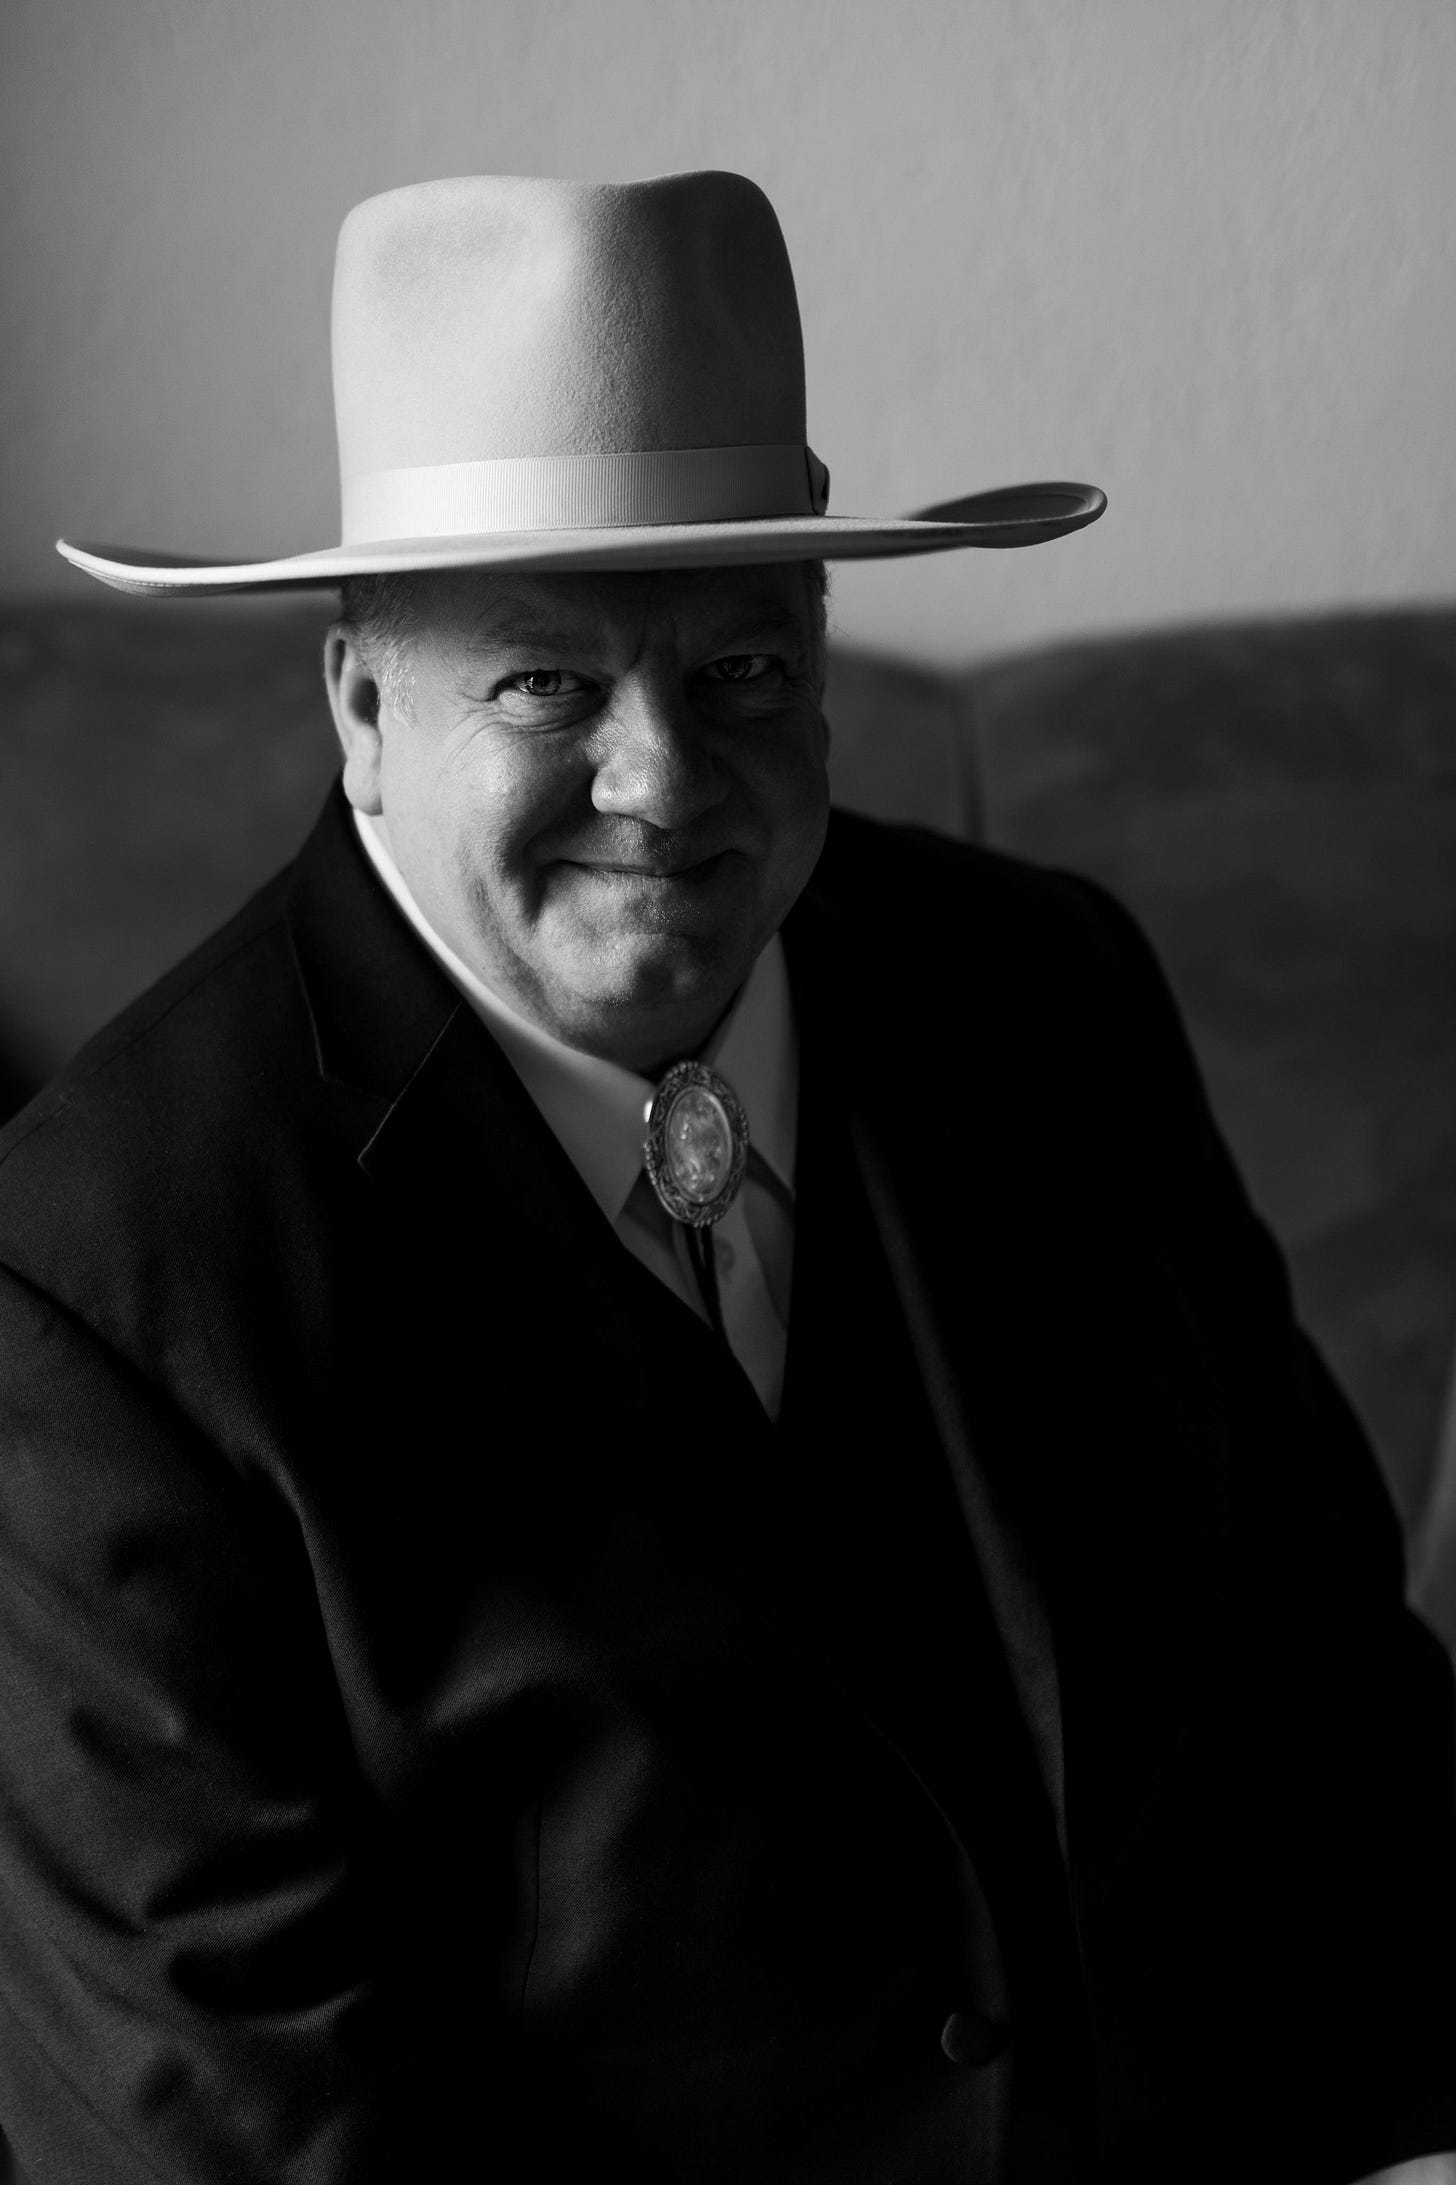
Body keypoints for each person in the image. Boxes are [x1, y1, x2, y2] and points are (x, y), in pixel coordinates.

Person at [2, 168, 1453, 2185]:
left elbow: (1342, 1719)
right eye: (546, 681)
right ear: (362, 704)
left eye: (743, 670)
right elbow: (246, 2128)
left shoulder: (1044, 997)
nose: (666, 782)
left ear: (821, 654)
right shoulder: (95, 1288)